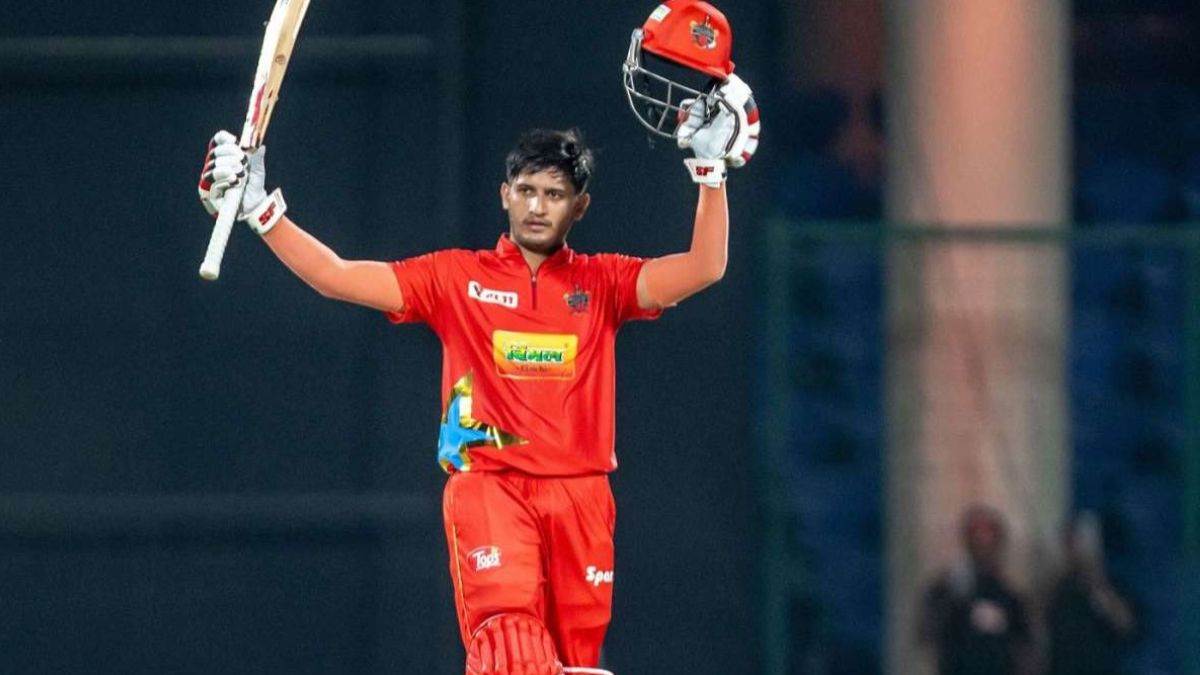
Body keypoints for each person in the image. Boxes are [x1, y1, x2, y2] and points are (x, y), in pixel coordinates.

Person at [196, 76, 757, 673]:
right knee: (510, 649)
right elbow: (336, 276)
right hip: (491, 489)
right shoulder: (455, 279)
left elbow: (705, 267)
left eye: (555, 194)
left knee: (579, 664)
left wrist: (712, 175)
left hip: (583, 498)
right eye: (526, 190)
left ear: (580, 206)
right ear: (504, 195)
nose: (537, 206)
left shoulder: (604, 283)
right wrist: (262, 211)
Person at [919, 505, 1035, 675]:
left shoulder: (1009, 595)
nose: (983, 543)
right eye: (977, 537)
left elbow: (1025, 640)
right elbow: (928, 632)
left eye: (989, 538)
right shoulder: (946, 588)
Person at [1046, 512, 1138, 675]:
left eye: (1077, 542)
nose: (1073, 550)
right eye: (1068, 543)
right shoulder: (1057, 590)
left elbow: (1126, 626)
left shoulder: (1110, 586)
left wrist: (1098, 587)